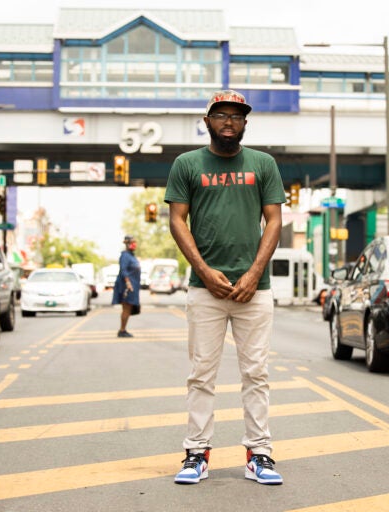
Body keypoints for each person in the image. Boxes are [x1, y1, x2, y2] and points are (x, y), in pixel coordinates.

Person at [164, 90, 286, 485]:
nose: (229, 121)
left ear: (245, 123)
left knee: (257, 374)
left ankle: (259, 453)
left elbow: (274, 221)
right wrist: (202, 268)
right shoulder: (186, 164)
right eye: (221, 115)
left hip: (255, 289)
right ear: (208, 122)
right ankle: (196, 453)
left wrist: (253, 273)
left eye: (237, 116)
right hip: (205, 290)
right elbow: (177, 220)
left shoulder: (263, 164)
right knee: (202, 374)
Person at [111, 235, 140, 338]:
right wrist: (128, 283)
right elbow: (123, 270)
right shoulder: (125, 255)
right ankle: (122, 330)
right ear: (127, 243)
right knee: (126, 308)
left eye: (134, 242)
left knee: (129, 308)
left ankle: (123, 329)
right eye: (132, 242)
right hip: (126, 287)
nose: (134, 244)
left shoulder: (132, 256)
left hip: (133, 286)